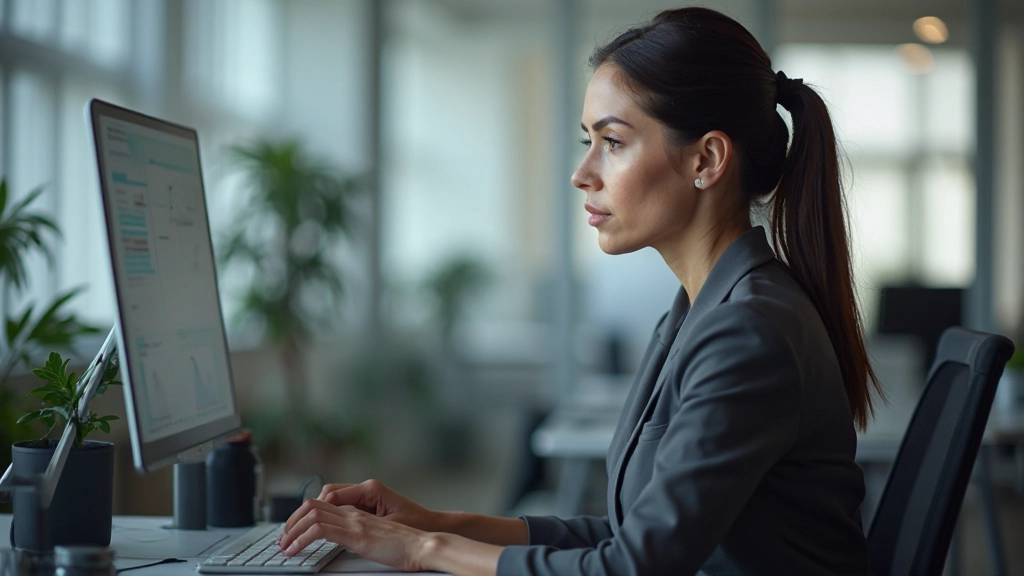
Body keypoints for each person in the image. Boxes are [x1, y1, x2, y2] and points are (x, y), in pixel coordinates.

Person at [279, 6, 880, 575]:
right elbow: (630, 537)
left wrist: (425, 549)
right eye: (586, 140)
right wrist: (437, 521)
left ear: (707, 160)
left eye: (613, 142)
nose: (582, 172)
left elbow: (633, 566)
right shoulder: (701, 311)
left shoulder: (748, 329)